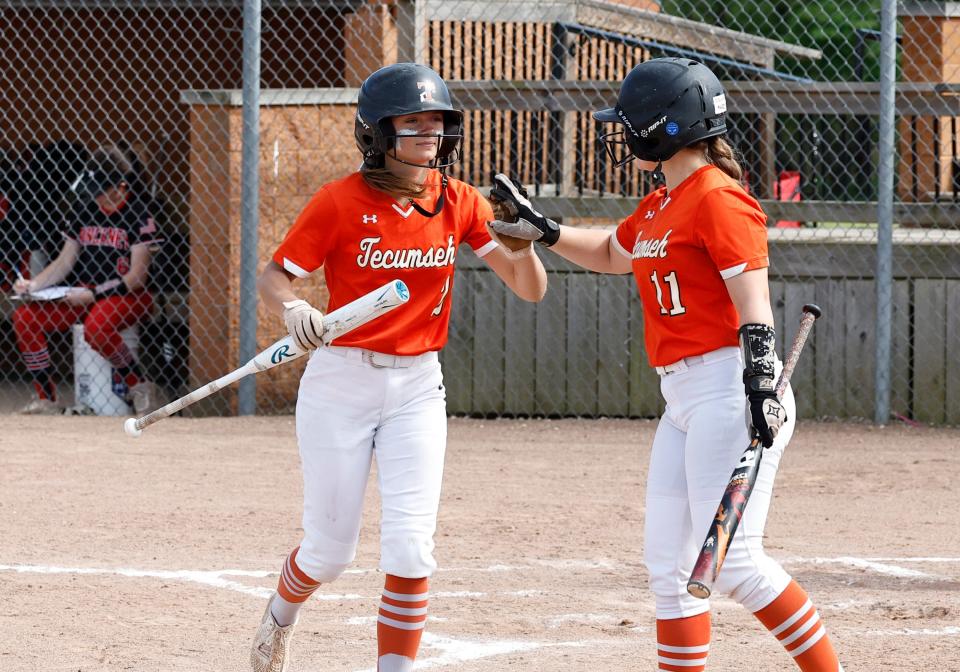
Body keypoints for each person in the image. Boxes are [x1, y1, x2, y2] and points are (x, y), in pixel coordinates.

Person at [489, 58, 844, 672]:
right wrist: (543, 230)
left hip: (730, 389)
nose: (621, 133)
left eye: (630, 122)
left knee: (734, 565)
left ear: (665, 128)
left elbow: (752, 298)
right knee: (671, 571)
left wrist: (761, 382)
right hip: (683, 399)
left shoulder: (718, 199)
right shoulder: (661, 203)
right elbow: (609, 252)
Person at [250, 62, 547, 672]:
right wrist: (294, 309)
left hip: (417, 386)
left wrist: (526, 240)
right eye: (412, 124)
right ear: (377, 134)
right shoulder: (338, 201)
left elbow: (530, 289)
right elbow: (273, 276)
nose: (429, 136)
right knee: (330, 554)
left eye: (437, 124)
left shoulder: (459, 201)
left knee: (411, 550)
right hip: (341, 383)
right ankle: (280, 615)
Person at [12, 144, 166, 415]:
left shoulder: (140, 212)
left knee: (97, 327)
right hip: (86, 293)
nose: (96, 198)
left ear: (119, 186)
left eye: (102, 191)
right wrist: (33, 285)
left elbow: (137, 276)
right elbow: (65, 260)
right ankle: (46, 399)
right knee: (25, 317)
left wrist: (94, 295)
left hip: (130, 295)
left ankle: (140, 386)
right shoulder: (84, 209)